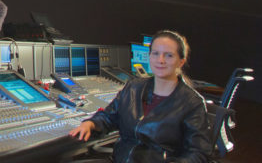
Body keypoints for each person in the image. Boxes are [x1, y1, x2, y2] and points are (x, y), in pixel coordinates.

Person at [69, 30, 212, 162]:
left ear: (181, 61)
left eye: (168, 55)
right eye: (155, 53)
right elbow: (110, 116)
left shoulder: (192, 103)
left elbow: (199, 154)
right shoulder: (134, 87)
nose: (160, 60)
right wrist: (90, 123)